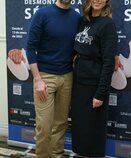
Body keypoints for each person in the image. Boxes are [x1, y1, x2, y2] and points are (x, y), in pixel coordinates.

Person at [9, 1, 80, 158]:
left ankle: (57, 155)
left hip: (67, 77)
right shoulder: (42, 14)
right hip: (45, 77)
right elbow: (31, 47)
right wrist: (38, 79)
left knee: (61, 123)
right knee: (44, 125)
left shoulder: (76, 17)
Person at [70, 0, 117, 157]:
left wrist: (101, 93)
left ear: (106, 2)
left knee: (94, 130)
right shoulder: (83, 21)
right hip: (78, 82)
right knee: (80, 126)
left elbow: (109, 61)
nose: (97, 0)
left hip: (94, 85)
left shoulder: (107, 24)